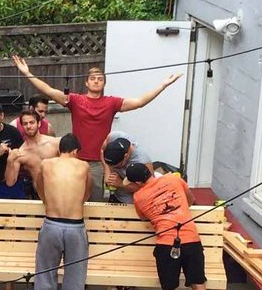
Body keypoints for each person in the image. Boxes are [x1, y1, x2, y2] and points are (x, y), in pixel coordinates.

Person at [11, 55, 182, 193]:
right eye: (92, 78)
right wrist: (28, 73)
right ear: (86, 82)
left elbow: (139, 102)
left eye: (100, 79)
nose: (96, 81)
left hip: (99, 163)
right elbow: (48, 91)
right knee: (71, 197)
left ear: (104, 83)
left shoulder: (112, 103)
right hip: (74, 159)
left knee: (95, 202)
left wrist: (163, 85)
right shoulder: (76, 100)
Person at [126, 162, 215, 290]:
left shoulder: (138, 197)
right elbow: (190, 200)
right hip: (191, 240)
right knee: (198, 284)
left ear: (136, 183)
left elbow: (145, 217)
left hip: (166, 245)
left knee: (168, 288)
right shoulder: (173, 180)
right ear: (149, 171)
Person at [32, 134, 93, 290]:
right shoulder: (83, 166)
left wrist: (48, 202)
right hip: (75, 226)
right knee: (75, 274)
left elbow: (39, 187)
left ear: (60, 150)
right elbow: (87, 192)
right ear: (76, 151)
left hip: (51, 223)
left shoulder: (46, 164)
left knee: (45, 270)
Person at [4, 108, 60, 198]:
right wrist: (10, 160)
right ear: (22, 126)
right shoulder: (21, 152)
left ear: (39, 123)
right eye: (25, 124)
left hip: (60, 192)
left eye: (31, 122)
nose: (28, 126)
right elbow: (10, 182)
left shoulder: (55, 143)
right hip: (40, 196)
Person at [101, 135, 155, 205]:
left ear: (125, 156)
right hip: (117, 196)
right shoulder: (114, 136)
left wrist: (121, 184)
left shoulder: (143, 162)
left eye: (116, 166)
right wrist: (107, 170)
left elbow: (149, 190)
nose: (113, 168)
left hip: (132, 203)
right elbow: (102, 150)